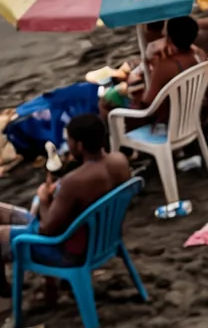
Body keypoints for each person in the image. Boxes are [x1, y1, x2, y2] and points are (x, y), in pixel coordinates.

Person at [0, 113, 133, 282]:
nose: (68, 145)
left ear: (79, 145)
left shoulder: (74, 182)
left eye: (69, 141)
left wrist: (43, 199)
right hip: (103, 238)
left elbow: (46, 230)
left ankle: (4, 288)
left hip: (68, 252)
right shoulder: (120, 161)